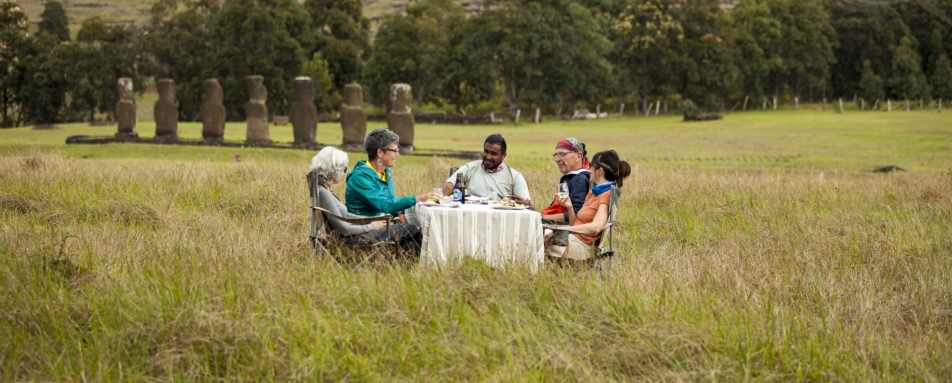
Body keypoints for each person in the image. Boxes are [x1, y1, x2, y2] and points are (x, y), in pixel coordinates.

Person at [310, 146, 422, 250]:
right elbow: (344, 228)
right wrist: (371, 226)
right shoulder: (324, 193)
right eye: (344, 169)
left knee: (402, 227)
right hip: (351, 240)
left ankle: (401, 264)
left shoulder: (324, 190)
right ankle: (419, 267)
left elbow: (345, 216)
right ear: (334, 169)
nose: (345, 173)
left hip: (354, 236)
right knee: (411, 229)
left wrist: (373, 220)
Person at [545, 149, 631, 261]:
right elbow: (575, 223)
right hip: (574, 239)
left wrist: (564, 229)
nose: (589, 170)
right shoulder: (595, 191)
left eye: (591, 166)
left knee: (533, 241)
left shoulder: (605, 194)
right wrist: (570, 207)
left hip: (582, 248)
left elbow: (596, 227)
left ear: (599, 171)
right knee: (539, 237)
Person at [345, 128, 438, 217]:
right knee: (418, 229)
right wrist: (417, 199)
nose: (398, 155)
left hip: (384, 223)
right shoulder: (359, 178)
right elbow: (385, 205)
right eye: (395, 151)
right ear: (380, 152)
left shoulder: (385, 172)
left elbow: (390, 202)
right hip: (365, 229)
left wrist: (398, 213)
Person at [442, 134, 532, 208]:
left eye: (494, 154)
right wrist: (449, 188)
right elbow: (448, 186)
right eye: (486, 151)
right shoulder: (470, 168)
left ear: (503, 156)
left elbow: (528, 205)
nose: (488, 157)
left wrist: (524, 203)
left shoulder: (514, 176)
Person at [541, 137, 591, 223]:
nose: (557, 159)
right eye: (556, 155)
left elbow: (574, 216)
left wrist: (542, 217)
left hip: (567, 231)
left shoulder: (580, 179)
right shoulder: (571, 177)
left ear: (578, 156)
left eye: (562, 154)